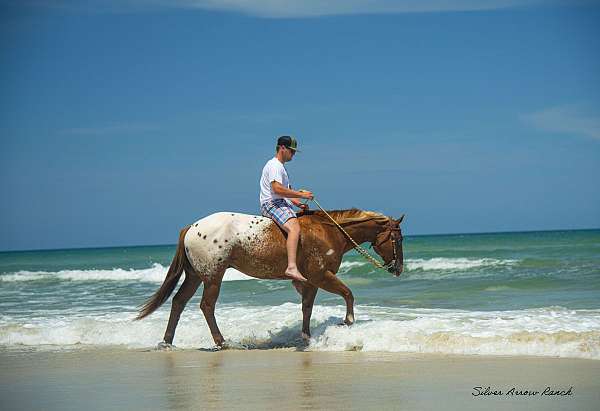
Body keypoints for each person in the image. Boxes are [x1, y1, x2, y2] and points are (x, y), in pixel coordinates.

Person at [260, 136, 314, 282]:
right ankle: (291, 267)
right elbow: (277, 189)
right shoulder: (275, 166)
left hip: (280, 202)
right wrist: (301, 194)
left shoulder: (281, 167)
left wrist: (299, 203)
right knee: (294, 228)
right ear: (282, 148)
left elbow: (287, 192)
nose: (293, 154)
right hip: (272, 203)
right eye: (292, 151)